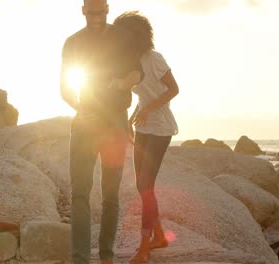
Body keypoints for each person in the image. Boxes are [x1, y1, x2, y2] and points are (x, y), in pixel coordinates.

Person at [59, 1, 142, 263]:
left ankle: (107, 256)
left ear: (108, 9)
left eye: (103, 12)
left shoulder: (122, 38)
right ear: (83, 10)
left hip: (116, 122)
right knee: (80, 193)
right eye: (93, 12)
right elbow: (65, 87)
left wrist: (122, 81)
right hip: (86, 121)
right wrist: (79, 108)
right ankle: (80, 259)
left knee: (111, 194)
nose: (98, 17)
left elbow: (137, 73)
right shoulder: (72, 42)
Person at [113, 11, 179, 264]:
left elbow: (174, 89)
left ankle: (143, 248)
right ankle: (160, 236)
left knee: (146, 186)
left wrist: (149, 108)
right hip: (143, 127)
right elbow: (142, 95)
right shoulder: (129, 61)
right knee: (142, 186)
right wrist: (134, 115)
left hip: (161, 127)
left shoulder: (154, 58)